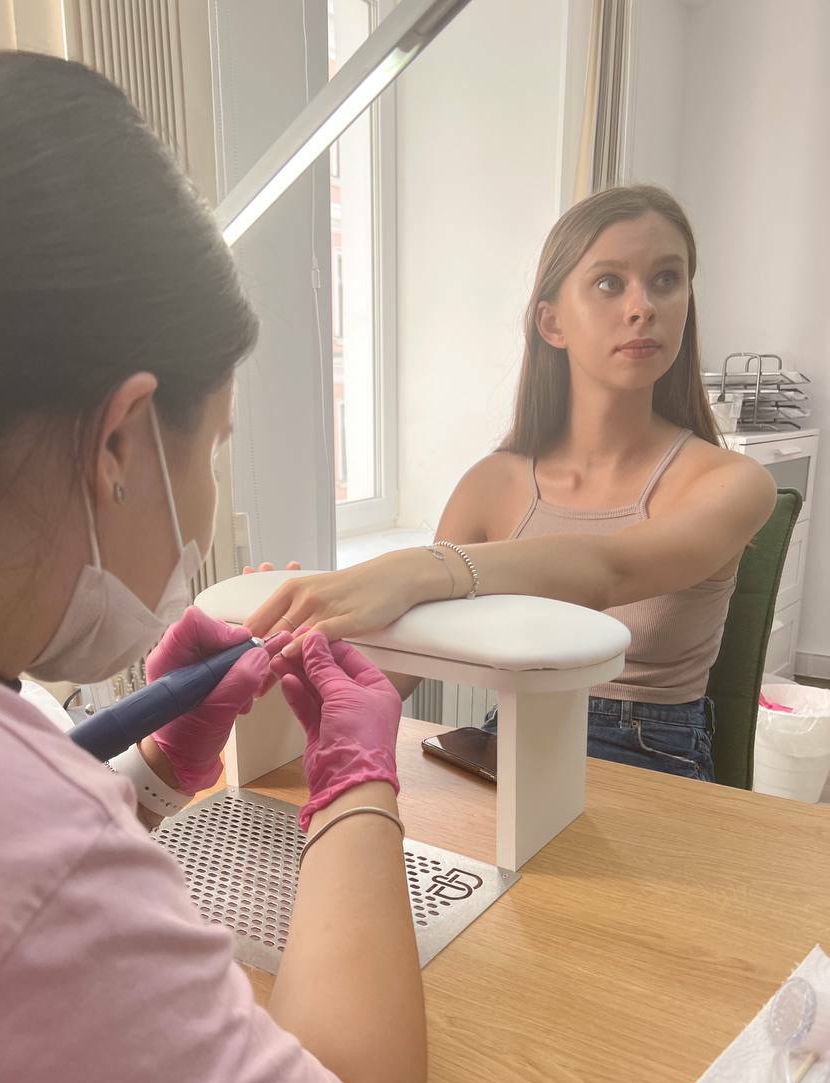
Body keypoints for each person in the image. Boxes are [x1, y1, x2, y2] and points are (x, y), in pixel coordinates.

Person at [0, 52, 426, 1083]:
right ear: (120, 437)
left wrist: (156, 765)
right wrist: (356, 786)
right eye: (214, 440)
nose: (209, 493)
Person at [250, 186, 777, 782]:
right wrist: (294, 651)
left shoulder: (733, 482)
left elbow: (609, 571)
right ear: (552, 321)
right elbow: (394, 675)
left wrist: (420, 570)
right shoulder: (490, 484)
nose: (643, 306)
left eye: (666, 279)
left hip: (652, 760)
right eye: (610, 283)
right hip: (503, 748)